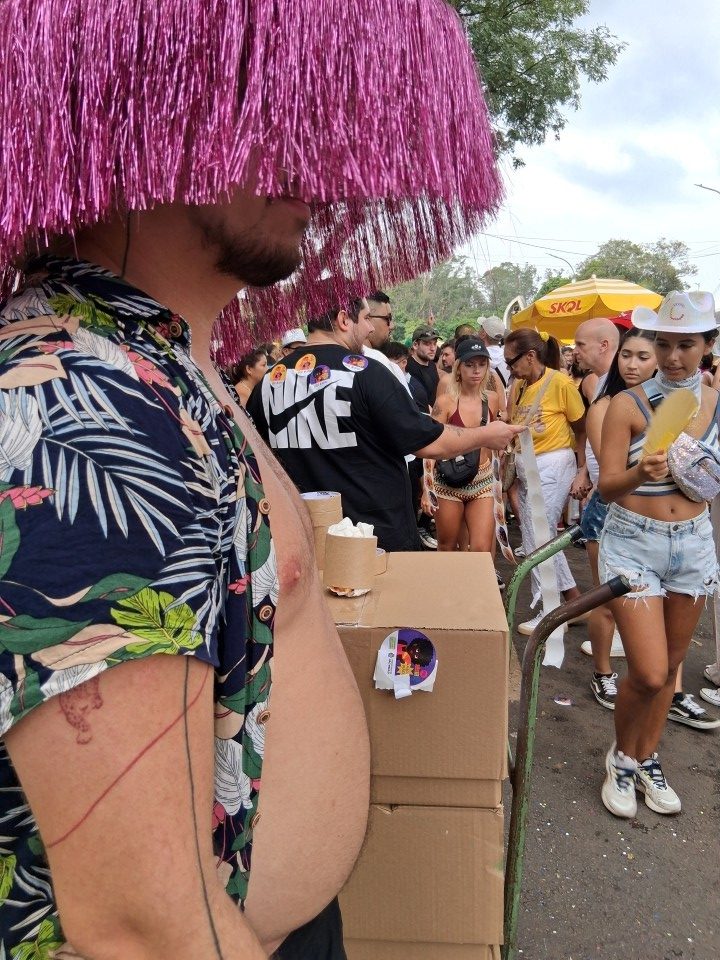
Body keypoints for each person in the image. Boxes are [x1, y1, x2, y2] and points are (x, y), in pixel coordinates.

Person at [0, 3, 505, 957]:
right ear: (133, 100)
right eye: (254, 95)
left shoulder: (156, 365)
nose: (312, 146)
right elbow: (146, 933)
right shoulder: (81, 404)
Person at [247, 298, 524, 553]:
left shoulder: (270, 382)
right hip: (376, 538)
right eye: (366, 318)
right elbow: (429, 441)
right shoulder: (366, 372)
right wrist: (485, 434)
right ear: (345, 320)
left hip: (303, 537)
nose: (369, 328)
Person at [598, 291, 720, 818]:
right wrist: (638, 473)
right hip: (632, 541)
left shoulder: (715, 402)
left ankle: (648, 758)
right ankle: (622, 757)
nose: (673, 357)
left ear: (707, 346)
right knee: (647, 673)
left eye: (685, 345)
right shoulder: (627, 405)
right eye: (663, 345)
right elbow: (605, 487)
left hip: (694, 545)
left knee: (671, 667)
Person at [581, 328, 657, 706]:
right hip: (609, 512)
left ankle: (665, 691)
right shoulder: (604, 406)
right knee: (607, 601)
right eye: (627, 355)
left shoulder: (670, 404)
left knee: (651, 602)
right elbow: (611, 471)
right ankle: (603, 673)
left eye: (643, 357)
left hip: (654, 519)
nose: (632, 365)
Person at [503, 328, 588, 634]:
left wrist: (582, 470)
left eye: (512, 361)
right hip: (529, 467)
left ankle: (551, 611)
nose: (509, 368)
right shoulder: (523, 386)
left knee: (540, 538)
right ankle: (573, 603)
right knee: (537, 538)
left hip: (554, 465)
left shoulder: (560, 383)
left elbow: (581, 427)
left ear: (530, 356)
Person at [407, 325, 441, 405]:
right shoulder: (408, 368)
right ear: (415, 345)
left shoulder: (431, 364)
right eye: (427, 344)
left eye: (435, 344)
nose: (433, 348)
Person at [477, 315, 510, 389]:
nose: (478, 330)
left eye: (481, 328)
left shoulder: (477, 358)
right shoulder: (508, 357)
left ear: (483, 334)